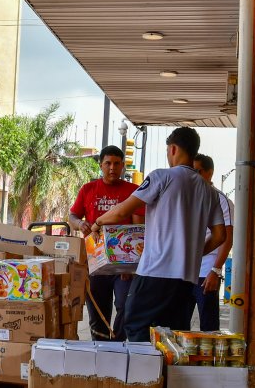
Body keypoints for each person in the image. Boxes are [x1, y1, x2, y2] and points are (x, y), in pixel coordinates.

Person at [91, 127, 227, 341]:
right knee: (171, 338)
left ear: (173, 149)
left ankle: (145, 374)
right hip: (186, 279)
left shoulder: (162, 177)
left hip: (155, 272)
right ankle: (166, 374)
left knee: (136, 327)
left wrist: (97, 222)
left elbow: (122, 211)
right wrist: (191, 254)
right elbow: (220, 236)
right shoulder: (209, 191)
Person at [67, 145, 143, 340]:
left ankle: (116, 343)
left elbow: (139, 229)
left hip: (124, 266)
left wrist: (132, 265)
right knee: (97, 311)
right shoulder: (88, 189)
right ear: (101, 165)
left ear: (123, 166)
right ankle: (100, 348)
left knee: (127, 306)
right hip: (95, 262)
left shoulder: (134, 192)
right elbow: (73, 215)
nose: (112, 168)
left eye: (117, 164)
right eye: (108, 163)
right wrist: (79, 223)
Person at [192, 153, 233, 331]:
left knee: (208, 328)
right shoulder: (186, 197)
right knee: (176, 326)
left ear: (210, 173)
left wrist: (215, 271)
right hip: (182, 272)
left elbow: (227, 238)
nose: (194, 176)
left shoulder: (221, 200)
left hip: (205, 272)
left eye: (198, 171)